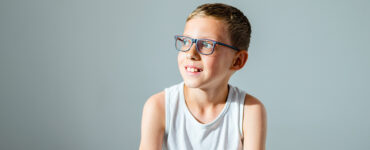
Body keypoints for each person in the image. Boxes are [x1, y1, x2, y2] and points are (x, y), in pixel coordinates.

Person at [139, 3, 267, 150]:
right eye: (186, 41)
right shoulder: (158, 106)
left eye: (206, 44)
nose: (191, 54)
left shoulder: (249, 111)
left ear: (237, 61)